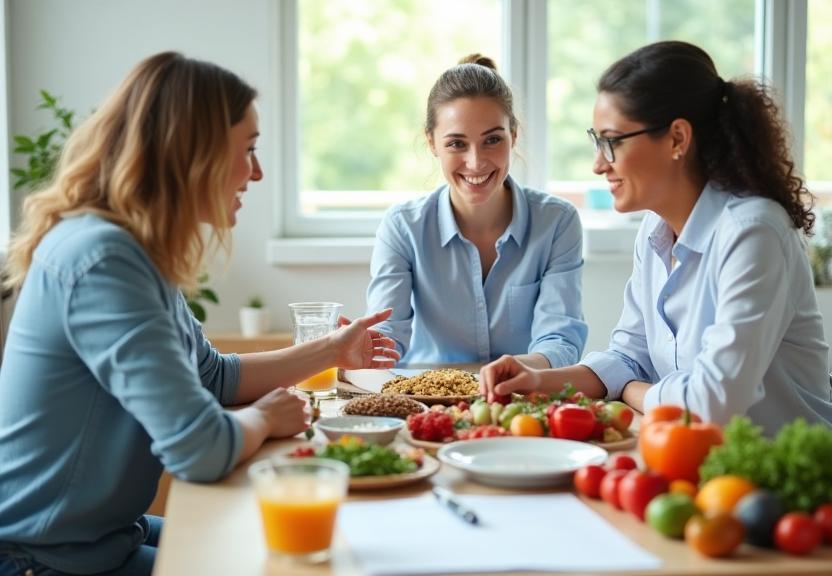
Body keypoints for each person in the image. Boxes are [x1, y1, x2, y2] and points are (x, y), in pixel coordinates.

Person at [0, 52, 399, 576]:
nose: (257, 172)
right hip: (42, 559)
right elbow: (200, 449)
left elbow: (212, 377)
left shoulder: (133, 249)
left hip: (100, 538)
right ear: (194, 152)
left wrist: (332, 351)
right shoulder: (104, 261)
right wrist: (265, 417)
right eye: (249, 149)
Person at [480, 41, 832, 435]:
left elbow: (710, 403)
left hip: (782, 465)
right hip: (700, 456)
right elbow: (628, 356)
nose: (598, 164)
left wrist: (631, 390)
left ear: (677, 139)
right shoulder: (655, 229)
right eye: (597, 141)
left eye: (612, 141)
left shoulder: (753, 232)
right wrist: (535, 379)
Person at [365, 54, 587, 369]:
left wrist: (514, 372)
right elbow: (386, 338)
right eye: (457, 144)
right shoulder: (403, 227)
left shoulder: (557, 222)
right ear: (432, 143)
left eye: (492, 140)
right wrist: (361, 350)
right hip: (424, 395)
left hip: (521, 394)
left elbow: (561, 340)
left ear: (513, 136)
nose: (476, 162)